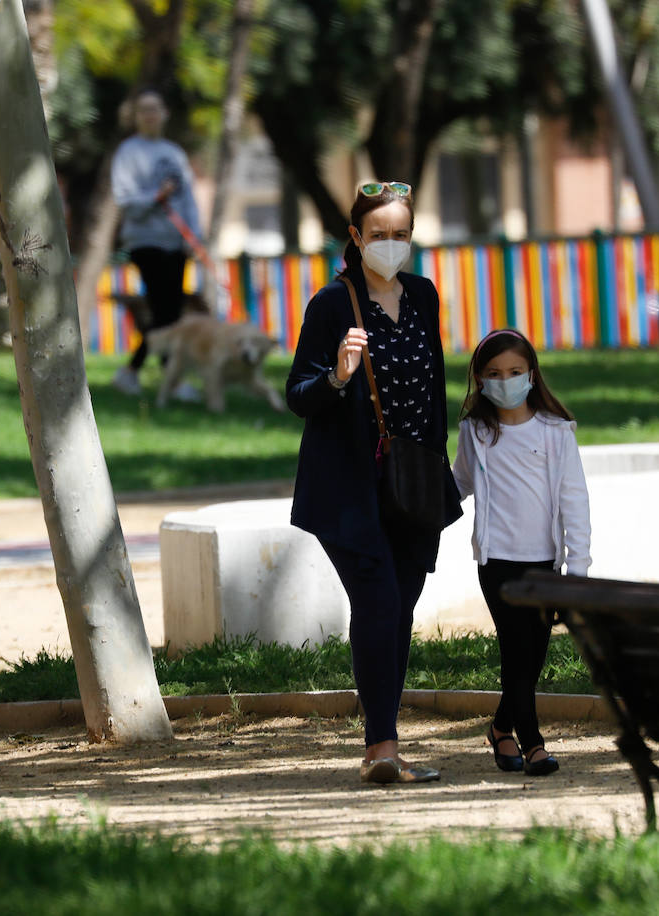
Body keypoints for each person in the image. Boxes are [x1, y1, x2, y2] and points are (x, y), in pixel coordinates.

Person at [285, 180, 462, 785]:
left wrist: (442, 470)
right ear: (355, 238)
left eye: (401, 234)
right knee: (379, 600)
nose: (390, 244)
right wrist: (337, 375)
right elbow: (298, 396)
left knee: (398, 607)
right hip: (350, 487)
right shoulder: (333, 305)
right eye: (378, 234)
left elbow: (434, 388)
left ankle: (385, 738)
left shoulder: (423, 295)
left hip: (414, 481)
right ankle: (381, 747)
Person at [452, 328, 590, 777]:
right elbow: (459, 484)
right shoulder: (475, 433)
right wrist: (416, 508)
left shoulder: (555, 432)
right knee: (515, 650)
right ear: (479, 380)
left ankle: (500, 729)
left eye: (513, 371)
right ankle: (533, 745)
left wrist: (578, 569)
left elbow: (575, 500)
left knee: (533, 656)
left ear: (531, 375)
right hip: (497, 564)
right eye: (493, 373)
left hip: (545, 564)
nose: (505, 380)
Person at [110, 88, 202, 403]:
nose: (150, 115)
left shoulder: (174, 153)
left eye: (155, 109)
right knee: (165, 311)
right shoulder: (127, 152)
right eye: (143, 110)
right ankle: (160, 378)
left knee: (170, 312)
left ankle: (141, 374)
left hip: (176, 241)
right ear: (135, 117)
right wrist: (155, 198)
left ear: (164, 114)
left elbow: (188, 198)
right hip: (145, 241)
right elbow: (124, 199)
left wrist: (194, 236)